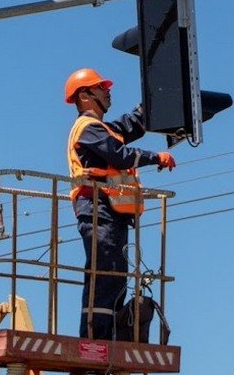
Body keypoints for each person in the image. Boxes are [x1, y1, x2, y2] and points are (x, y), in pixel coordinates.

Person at [64, 67, 176, 340]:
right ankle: (95, 339)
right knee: (105, 276)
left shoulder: (101, 129)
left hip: (109, 212)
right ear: (85, 95)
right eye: (101, 87)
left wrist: (154, 99)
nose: (108, 90)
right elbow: (119, 155)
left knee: (113, 277)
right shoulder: (87, 129)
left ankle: (105, 337)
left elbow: (128, 127)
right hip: (98, 211)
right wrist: (155, 157)